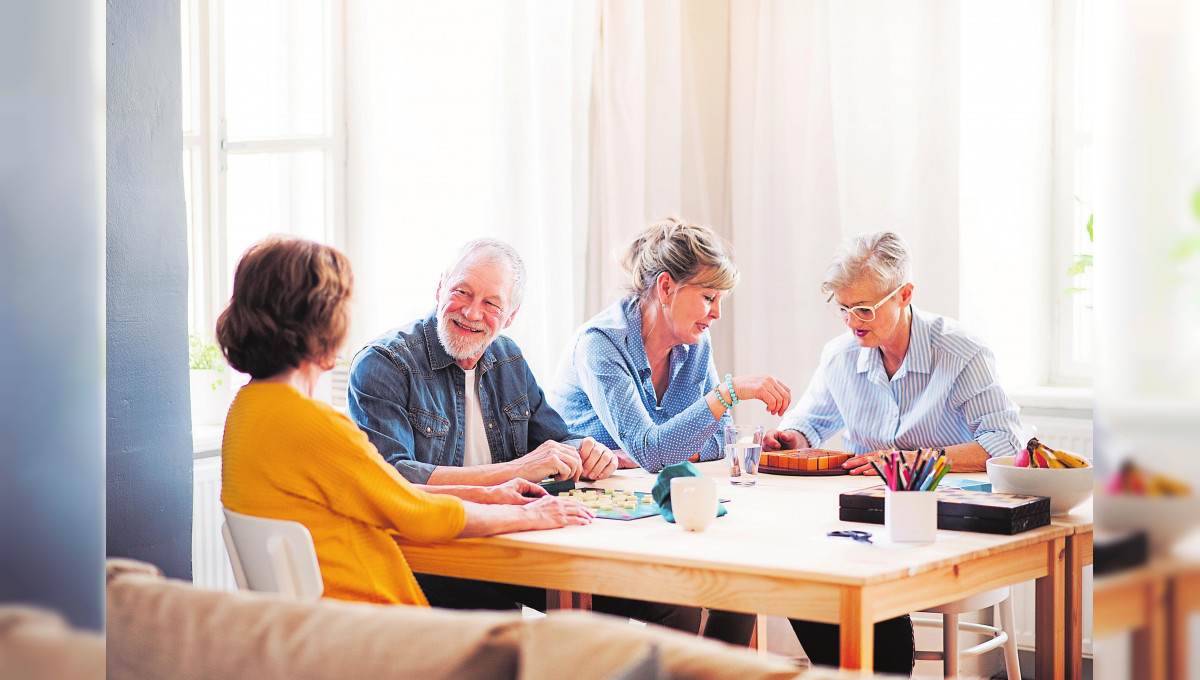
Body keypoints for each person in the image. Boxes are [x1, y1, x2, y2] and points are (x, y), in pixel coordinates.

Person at [347, 238, 699, 635]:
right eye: (461, 292)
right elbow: (396, 479)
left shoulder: (508, 358)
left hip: (513, 538)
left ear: (510, 316)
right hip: (434, 552)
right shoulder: (384, 363)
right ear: (440, 288)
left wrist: (585, 451)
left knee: (673, 602)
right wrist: (520, 469)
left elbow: (555, 439)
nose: (471, 312)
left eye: (491, 304)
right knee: (505, 620)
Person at [218, 235, 593, 607]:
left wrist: (488, 494)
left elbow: (390, 495)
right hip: (378, 624)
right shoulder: (316, 426)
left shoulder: (247, 409)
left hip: (321, 625)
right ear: (325, 325)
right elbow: (414, 513)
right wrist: (533, 514)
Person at [764, 230, 1024, 675]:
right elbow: (809, 423)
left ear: (904, 295)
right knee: (795, 570)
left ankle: (879, 666)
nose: (852, 321)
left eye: (864, 308)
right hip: (861, 519)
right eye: (844, 309)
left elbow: (1006, 446)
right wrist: (791, 439)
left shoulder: (961, 353)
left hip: (943, 523)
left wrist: (913, 461)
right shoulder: (840, 356)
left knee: (861, 579)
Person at [546, 217, 791, 645]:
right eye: (709, 297)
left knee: (743, 582)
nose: (716, 313)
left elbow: (718, 441)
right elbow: (651, 450)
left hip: (651, 509)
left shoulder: (695, 344)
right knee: (683, 600)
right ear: (666, 288)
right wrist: (728, 393)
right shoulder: (601, 344)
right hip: (593, 519)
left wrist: (675, 442)